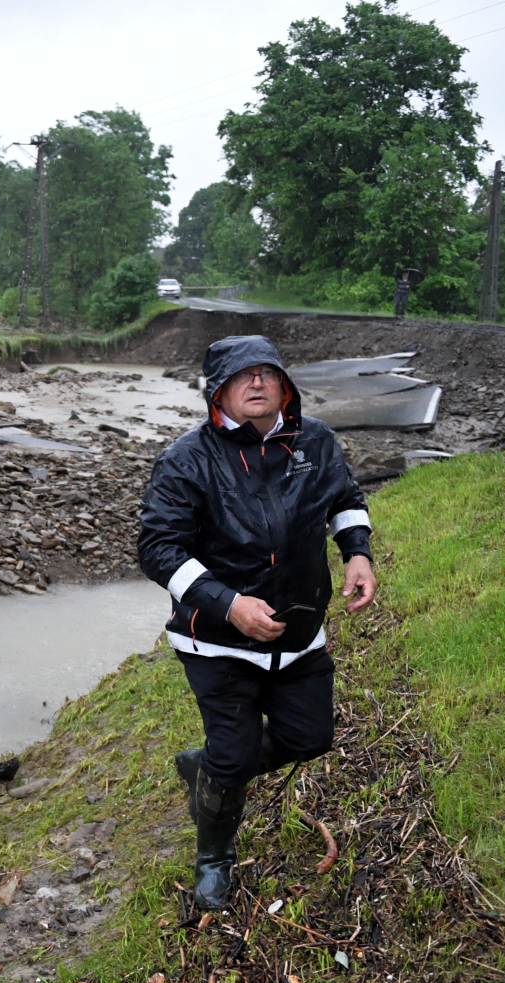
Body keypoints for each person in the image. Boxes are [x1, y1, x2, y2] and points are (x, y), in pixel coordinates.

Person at [137, 335, 377, 910]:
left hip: (299, 634)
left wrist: (359, 552)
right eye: (242, 376)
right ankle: (214, 861)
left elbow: (345, 497)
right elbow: (158, 549)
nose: (257, 383)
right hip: (216, 643)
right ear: (217, 391)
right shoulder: (185, 459)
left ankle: (208, 771)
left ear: (284, 386)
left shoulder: (315, 441)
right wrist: (229, 604)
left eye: (268, 373)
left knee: (311, 736)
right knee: (234, 752)